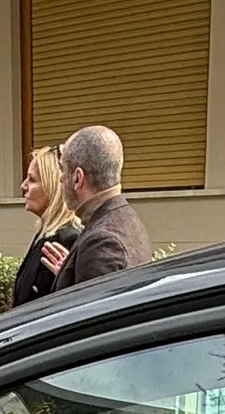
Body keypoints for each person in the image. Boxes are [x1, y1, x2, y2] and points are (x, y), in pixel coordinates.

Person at [43, 125, 152, 290]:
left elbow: (88, 313)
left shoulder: (102, 243)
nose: (60, 180)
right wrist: (70, 274)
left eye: (62, 170)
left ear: (78, 178)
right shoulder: (125, 217)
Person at [14, 144, 82, 306]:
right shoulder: (44, 234)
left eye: (32, 179)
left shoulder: (68, 239)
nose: (23, 186)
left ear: (52, 186)